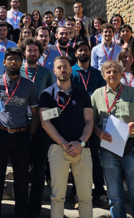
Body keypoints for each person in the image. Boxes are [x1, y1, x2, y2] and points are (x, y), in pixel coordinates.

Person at [0, 48, 39, 218]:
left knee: (21, 182)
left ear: (22, 63)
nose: (13, 62)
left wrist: (30, 134)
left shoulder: (29, 85)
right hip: (0, 135)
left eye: (17, 59)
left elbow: (35, 114)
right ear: (4, 62)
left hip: (22, 136)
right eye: (10, 59)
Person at [92, 60, 134, 218]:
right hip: (108, 150)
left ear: (121, 74)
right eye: (108, 72)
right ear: (103, 75)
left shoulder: (133, 93)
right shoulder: (97, 95)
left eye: (115, 71)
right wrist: (98, 132)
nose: (112, 74)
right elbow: (91, 122)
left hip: (132, 148)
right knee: (115, 197)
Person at [39, 56, 94, 218]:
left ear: (71, 70)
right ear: (54, 71)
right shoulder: (47, 95)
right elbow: (45, 123)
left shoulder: (82, 94)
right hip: (57, 149)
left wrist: (81, 143)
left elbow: (90, 121)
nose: (63, 70)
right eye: (59, 67)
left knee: (85, 197)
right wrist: (63, 143)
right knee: (57, 197)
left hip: (82, 150)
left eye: (65, 67)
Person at [70, 41, 108, 209]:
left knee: (95, 160)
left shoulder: (98, 74)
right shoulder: (71, 72)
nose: (83, 52)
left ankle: (100, 193)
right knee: (76, 160)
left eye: (86, 50)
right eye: (80, 50)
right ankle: (77, 195)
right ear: (76, 53)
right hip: (76, 122)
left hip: (95, 122)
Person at [19, 38, 54, 218]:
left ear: (39, 53)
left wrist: (44, 119)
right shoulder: (16, 70)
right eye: (29, 50)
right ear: (23, 52)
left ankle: (35, 210)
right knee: (22, 169)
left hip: (40, 128)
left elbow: (54, 104)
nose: (32, 53)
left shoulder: (47, 73)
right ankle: (22, 208)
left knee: (39, 170)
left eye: (35, 51)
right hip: (19, 126)